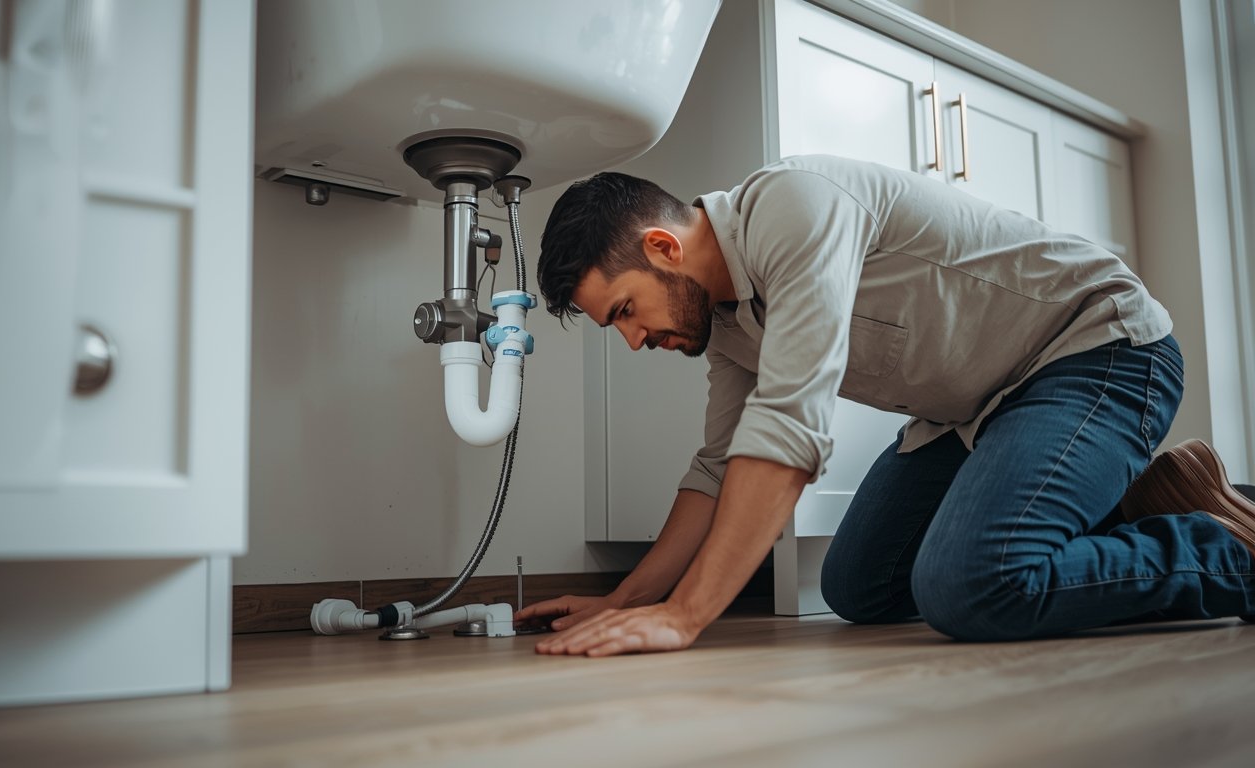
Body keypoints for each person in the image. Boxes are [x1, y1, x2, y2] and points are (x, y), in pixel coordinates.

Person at [514, 154, 1255, 657]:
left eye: (625, 313)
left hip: (1096, 352)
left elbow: (789, 431)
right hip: (977, 411)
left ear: (663, 249)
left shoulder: (793, 207)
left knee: (972, 586)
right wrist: (625, 599)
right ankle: (1123, 505)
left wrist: (685, 618)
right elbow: (717, 467)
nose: (637, 341)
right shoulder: (727, 321)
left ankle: (1223, 552)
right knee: (855, 585)